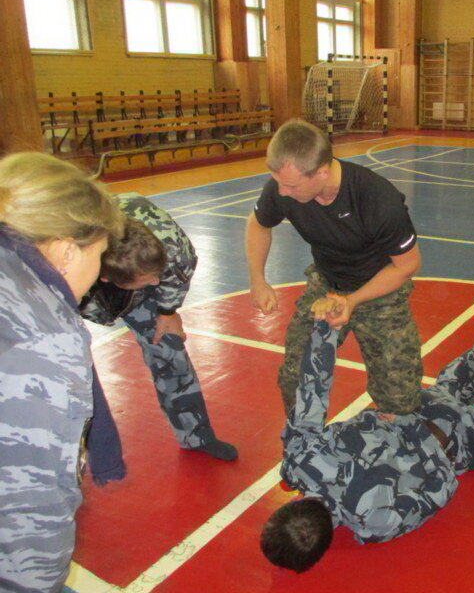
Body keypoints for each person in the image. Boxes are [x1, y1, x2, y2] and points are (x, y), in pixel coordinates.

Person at [259, 318, 474, 572]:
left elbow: (443, 487)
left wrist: (414, 434)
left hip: (451, 438)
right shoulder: (300, 458)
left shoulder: (374, 521)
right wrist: (326, 330)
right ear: (287, 508)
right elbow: (311, 387)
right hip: (403, 405)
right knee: (446, 389)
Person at [0, 152, 124, 591]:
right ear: (67, 251)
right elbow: (31, 508)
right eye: (101, 255)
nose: (99, 275)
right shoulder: (44, 338)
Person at [245, 118, 423, 415]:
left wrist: (351, 301)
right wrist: (258, 280)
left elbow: (407, 265)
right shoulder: (283, 189)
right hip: (326, 285)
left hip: (381, 291)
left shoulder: (377, 200)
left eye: (290, 185)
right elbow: (258, 224)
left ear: (322, 171)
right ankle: (304, 439)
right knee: (295, 377)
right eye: (278, 183)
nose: (283, 193)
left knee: (400, 397)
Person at [80, 193, 237, 461]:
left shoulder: (173, 247)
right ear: (106, 278)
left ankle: (195, 436)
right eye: (147, 280)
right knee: (65, 371)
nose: (156, 283)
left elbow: (173, 277)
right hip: (80, 290)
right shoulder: (67, 267)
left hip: (137, 267)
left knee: (168, 349)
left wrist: (167, 310)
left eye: (157, 275)